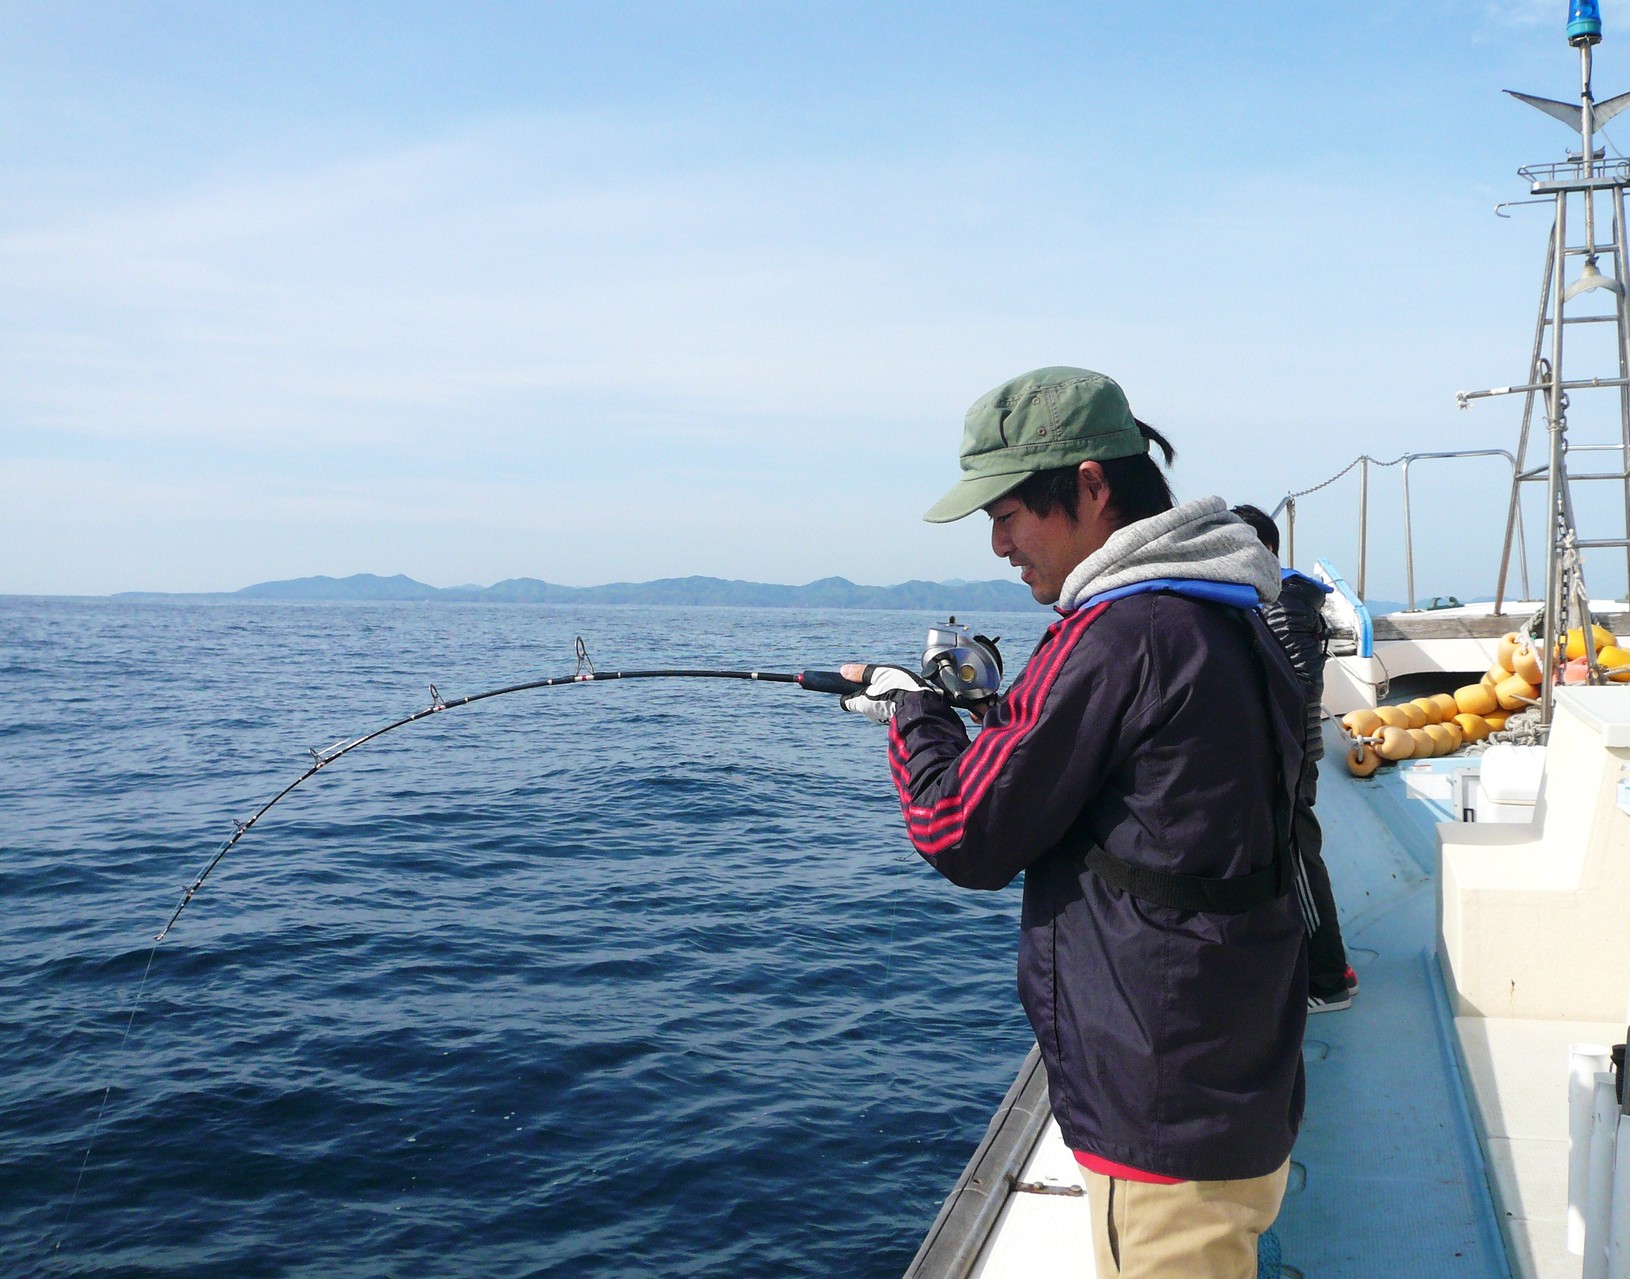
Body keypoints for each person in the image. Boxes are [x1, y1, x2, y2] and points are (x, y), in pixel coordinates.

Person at [839, 367, 1307, 1279]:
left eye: (1011, 512)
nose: (1000, 543)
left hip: (1163, 1103)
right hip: (1237, 1067)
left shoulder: (1118, 631)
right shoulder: (1232, 605)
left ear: (1091, 487)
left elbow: (957, 829)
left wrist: (911, 713)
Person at [1230, 503, 1359, 1013]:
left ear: (1262, 549)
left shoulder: (1280, 601)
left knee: (1299, 862)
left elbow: (1294, 685)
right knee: (1286, 859)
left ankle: (1327, 981)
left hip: (1285, 758)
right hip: (1278, 754)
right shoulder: (1270, 599)